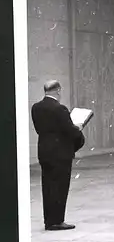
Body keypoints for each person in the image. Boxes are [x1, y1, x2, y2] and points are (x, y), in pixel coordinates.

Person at [31, 80, 85, 231]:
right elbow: (70, 131)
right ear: (58, 90)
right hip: (60, 154)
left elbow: (39, 129)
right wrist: (78, 128)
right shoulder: (60, 109)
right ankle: (57, 221)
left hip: (44, 152)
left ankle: (48, 220)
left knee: (47, 187)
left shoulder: (36, 107)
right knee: (60, 188)